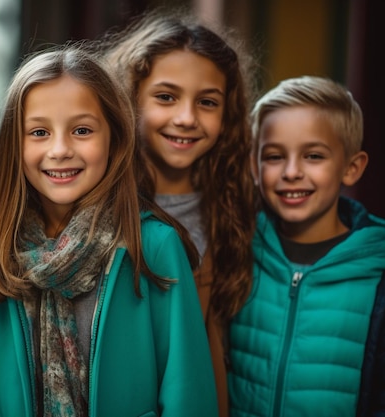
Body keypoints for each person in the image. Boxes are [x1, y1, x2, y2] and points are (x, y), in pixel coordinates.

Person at [0, 42, 218, 417]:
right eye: (39, 133)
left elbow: (187, 392)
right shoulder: (0, 250)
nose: (60, 149)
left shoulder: (154, 246)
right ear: (15, 144)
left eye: (81, 130)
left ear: (113, 138)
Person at [98, 8, 257, 416]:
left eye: (207, 102)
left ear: (228, 114)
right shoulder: (97, 205)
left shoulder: (236, 210)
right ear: (128, 99)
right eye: (166, 97)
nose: (186, 119)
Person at [228, 75, 385, 417]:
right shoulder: (234, 251)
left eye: (313, 156)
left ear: (351, 168)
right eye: (275, 157)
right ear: (255, 167)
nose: (292, 172)